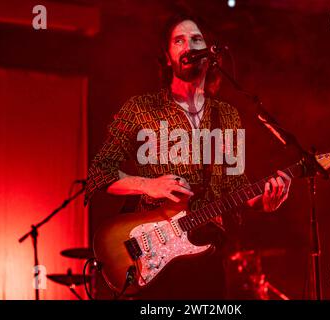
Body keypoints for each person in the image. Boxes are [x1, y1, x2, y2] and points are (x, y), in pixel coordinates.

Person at [85, 14, 291, 299]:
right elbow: (99, 172)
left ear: (208, 54)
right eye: (178, 40)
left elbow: (234, 185)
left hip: (205, 259)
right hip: (148, 256)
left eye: (196, 40)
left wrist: (264, 200)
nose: (189, 46)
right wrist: (148, 185)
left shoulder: (227, 116)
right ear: (167, 57)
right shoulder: (141, 109)